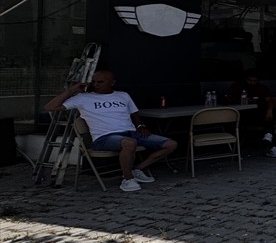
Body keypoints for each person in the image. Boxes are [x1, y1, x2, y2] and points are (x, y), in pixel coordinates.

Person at [44, 69, 177, 192]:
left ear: (112, 82)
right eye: (94, 82)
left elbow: (134, 113)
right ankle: (127, 179)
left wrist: (140, 125)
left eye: (100, 82)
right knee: (129, 143)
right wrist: (71, 90)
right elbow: (50, 107)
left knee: (171, 144)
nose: (96, 85)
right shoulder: (83, 98)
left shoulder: (123, 95)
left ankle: (137, 169)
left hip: (131, 133)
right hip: (104, 137)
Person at [223, 69, 276, 158]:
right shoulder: (238, 86)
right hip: (243, 114)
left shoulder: (261, 87)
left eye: (254, 81)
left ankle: (268, 138)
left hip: (258, 114)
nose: (252, 83)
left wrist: (269, 110)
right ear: (245, 79)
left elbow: (268, 100)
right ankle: (269, 139)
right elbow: (228, 97)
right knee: (234, 121)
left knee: (267, 113)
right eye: (250, 80)